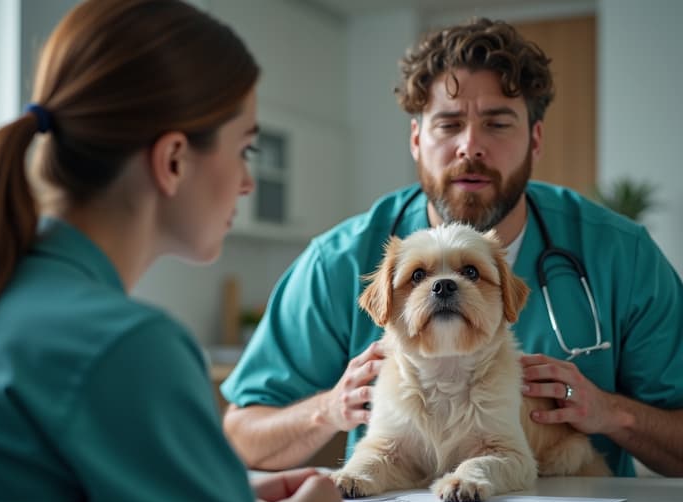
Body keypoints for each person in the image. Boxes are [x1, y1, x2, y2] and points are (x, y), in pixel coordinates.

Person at [221, 17, 683, 478]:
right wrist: (327, 410)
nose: (470, 146)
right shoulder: (338, 261)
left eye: (497, 123)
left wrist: (611, 414)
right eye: (448, 124)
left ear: (535, 140)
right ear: (417, 140)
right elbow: (241, 435)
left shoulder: (623, 254)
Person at [0, 1, 349, 502]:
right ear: (173, 160)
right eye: (245, 149)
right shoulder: (124, 345)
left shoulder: (4, 291)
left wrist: (222, 492)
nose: (246, 182)